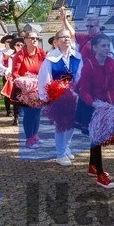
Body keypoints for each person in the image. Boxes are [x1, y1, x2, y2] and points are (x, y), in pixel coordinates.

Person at [76, 33, 114, 188]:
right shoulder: (89, 65)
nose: (107, 48)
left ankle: (91, 166)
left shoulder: (113, 64)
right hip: (90, 104)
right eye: (103, 45)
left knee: (97, 138)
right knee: (96, 138)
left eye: (108, 45)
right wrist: (95, 104)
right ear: (94, 48)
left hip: (106, 104)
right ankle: (100, 174)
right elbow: (84, 91)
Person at [38, 28, 83, 166]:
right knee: (61, 125)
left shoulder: (77, 57)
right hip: (58, 96)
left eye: (68, 36)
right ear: (56, 42)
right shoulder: (50, 58)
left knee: (72, 124)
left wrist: (80, 92)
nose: (66, 39)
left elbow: (80, 76)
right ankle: (60, 154)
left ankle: (66, 147)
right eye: (63, 37)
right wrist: (47, 97)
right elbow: (45, 78)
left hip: (74, 96)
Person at [13, 29, 47, 147]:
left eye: (36, 38)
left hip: (39, 87)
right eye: (32, 38)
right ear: (26, 40)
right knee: (29, 114)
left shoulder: (41, 52)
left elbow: (46, 67)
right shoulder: (20, 54)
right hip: (25, 89)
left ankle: (35, 135)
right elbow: (15, 73)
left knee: (37, 112)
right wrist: (25, 83)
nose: (35, 40)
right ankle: (29, 139)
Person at [0, 34, 18, 122]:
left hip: (15, 75)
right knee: (7, 92)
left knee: (16, 93)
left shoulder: (16, 51)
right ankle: (8, 110)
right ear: (5, 43)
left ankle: (17, 111)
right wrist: (7, 71)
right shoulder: (2, 52)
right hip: (7, 75)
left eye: (11, 41)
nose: (9, 43)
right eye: (8, 42)